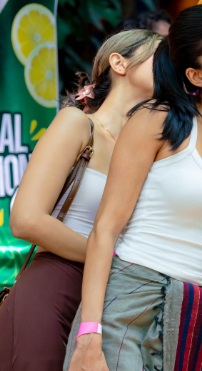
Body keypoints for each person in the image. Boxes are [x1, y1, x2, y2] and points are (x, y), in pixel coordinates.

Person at [64, 4, 202, 370]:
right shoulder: (156, 121)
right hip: (128, 301)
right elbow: (105, 230)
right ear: (197, 75)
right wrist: (89, 332)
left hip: (194, 317)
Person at [0, 30, 161, 371]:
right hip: (57, 282)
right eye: (161, 57)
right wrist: (107, 256)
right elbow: (26, 220)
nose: (171, 68)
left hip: (118, 294)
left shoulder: (154, 147)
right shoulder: (78, 124)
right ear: (119, 63)